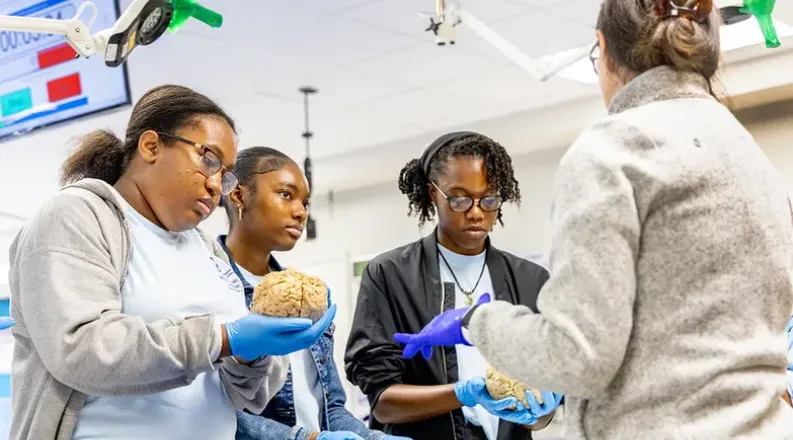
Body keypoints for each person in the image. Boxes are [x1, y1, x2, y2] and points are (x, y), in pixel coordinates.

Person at [393, 1, 793, 439]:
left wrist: (475, 323)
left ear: (602, 50)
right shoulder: (747, 153)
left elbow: (576, 357)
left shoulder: (612, 152)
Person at [7, 85, 336, 440]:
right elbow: (81, 349)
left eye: (225, 175)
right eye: (208, 159)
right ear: (151, 146)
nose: (215, 186)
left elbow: (243, 398)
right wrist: (223, 338)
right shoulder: (76, 215)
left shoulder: (206, 250)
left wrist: (251, 356)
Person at [344, 131, 561, 440]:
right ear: (433, 194)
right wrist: (464, 393)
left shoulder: (530, 279)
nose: (476, 212)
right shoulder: (390, 275)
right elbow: (383, 402)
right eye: (459, 199)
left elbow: (540, 407)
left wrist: (540, 412)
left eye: (489, 199)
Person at [217, 146, 407, 440]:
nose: (300, 212)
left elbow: (330, 407)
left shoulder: (309, 296)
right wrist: (303, 438)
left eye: (305, 202)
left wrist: (374, 438)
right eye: (286, 194)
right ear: (239, 195)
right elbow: (212, 411)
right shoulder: (209, 288)